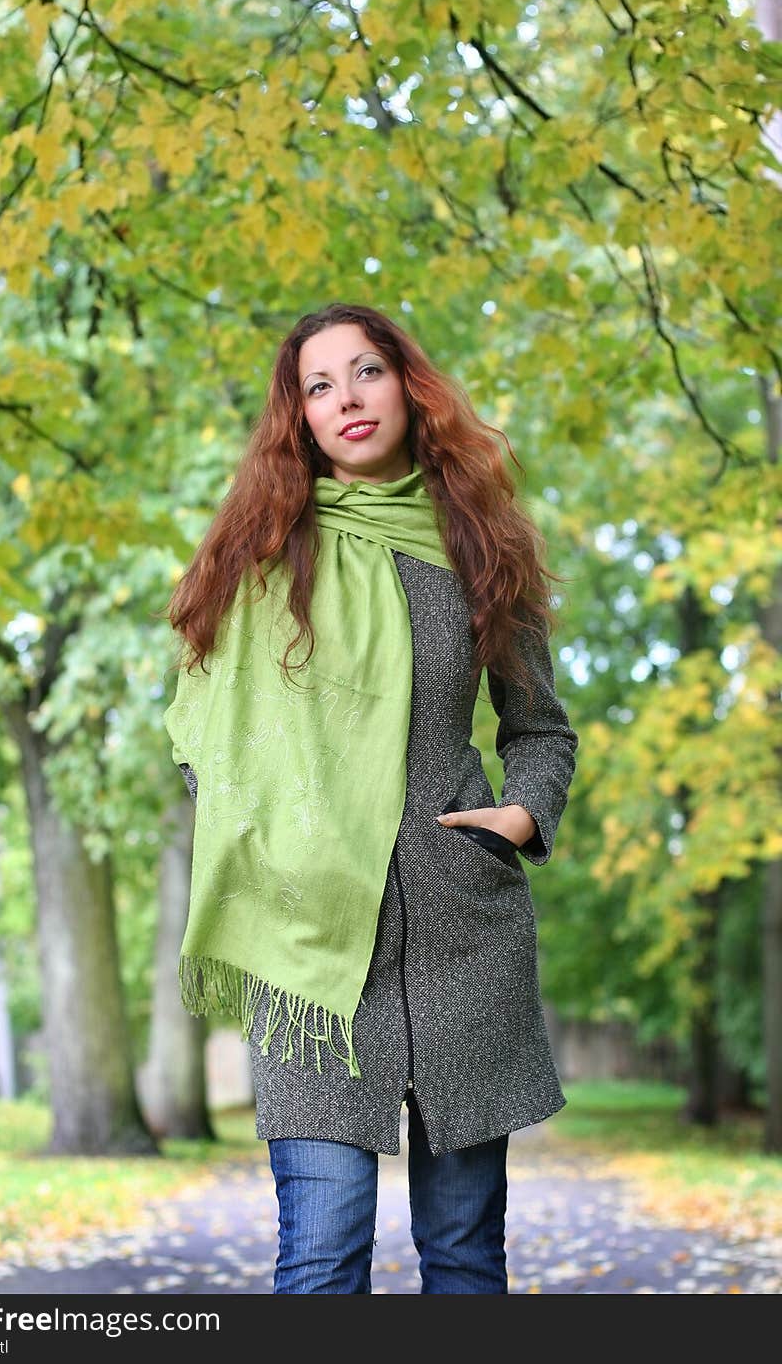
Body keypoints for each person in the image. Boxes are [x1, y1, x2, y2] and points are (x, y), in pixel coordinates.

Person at [162, 301, 579, 1295]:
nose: (345, 398)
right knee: (320, 1256)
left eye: (364, 373)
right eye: (318, 385)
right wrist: (288, 838)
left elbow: (540, 728)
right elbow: (202, 738)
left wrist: (518, 816)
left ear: (406, 384)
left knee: (467, 1258)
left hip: (459, 932)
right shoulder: (258, 552)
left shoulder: (478, 543)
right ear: (296, 418)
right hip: (307, 953)